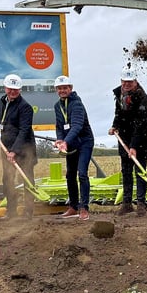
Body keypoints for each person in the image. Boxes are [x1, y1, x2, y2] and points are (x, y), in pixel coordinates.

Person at [0, 74, 37, 219]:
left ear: (20, 90)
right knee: (8, 179)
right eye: (10, 89)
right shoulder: (1, 101)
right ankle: (11, 211)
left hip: (24, 149)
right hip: (6, 146)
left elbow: (24, 131)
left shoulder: (25, 107)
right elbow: (0, 117)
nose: (12, 92)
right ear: (5, 88)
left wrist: (14, 151)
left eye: (15, 89)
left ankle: (28, 212)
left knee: (27, 179)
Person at [108, 68, 147, 216]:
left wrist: (133, 146)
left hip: (141, 137)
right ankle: (127, 203)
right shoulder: (120, 95)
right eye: (124, 81)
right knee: (126, 171)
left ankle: (141, 203)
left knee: (140, 171)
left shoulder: (142, 98)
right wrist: (115, 125)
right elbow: (118, 114)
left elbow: (141, 123)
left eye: (129, 82)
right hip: (124, 137)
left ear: (135, 82)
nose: (126, 84)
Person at [53, 75, 95, 220]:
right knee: (70, 174)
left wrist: (65, 141)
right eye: (60, 88)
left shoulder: (77, 104)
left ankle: (84, 208)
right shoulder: (57, 106)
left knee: (82, 173)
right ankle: (73, 206)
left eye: (65, 88)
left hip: (84, 142)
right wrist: (60, 139)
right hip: (70, 143)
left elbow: (77, 125)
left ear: (70, 88)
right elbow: (59, 126)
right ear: (56, 90)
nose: (62, 90)